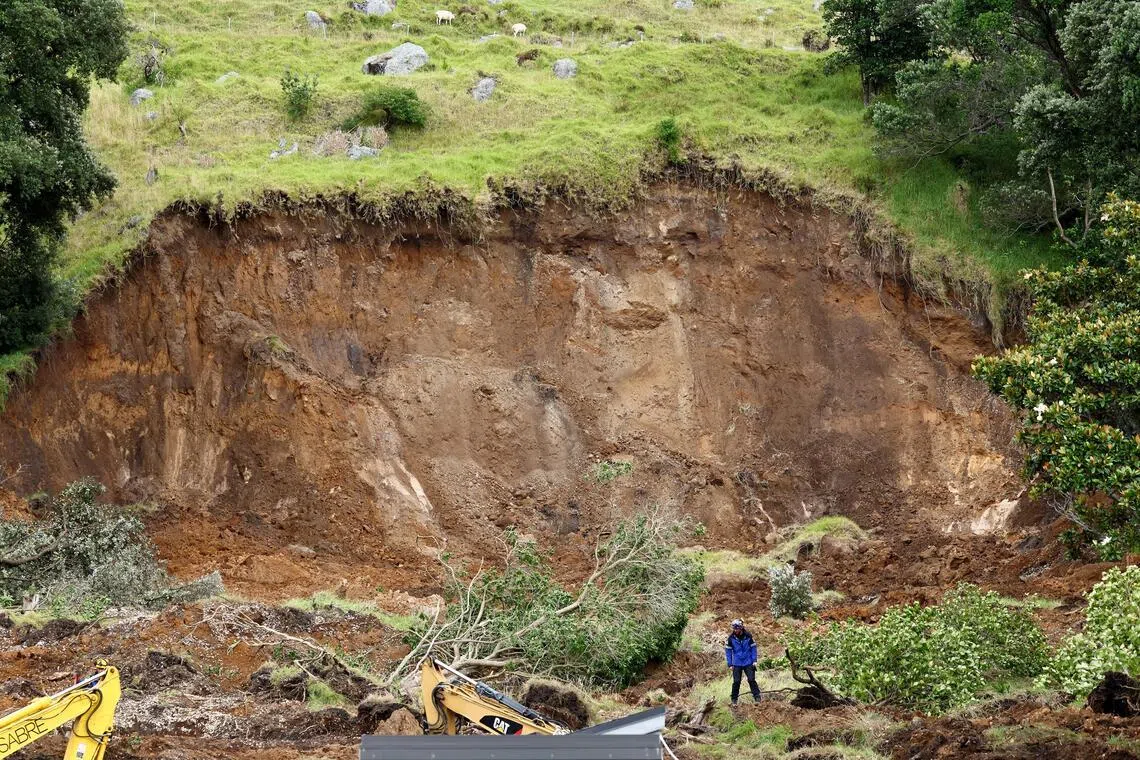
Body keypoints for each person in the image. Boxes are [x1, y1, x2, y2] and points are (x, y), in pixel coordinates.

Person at [724, 618, 762, 705]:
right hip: (737, 663)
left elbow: (753, 648)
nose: (735, 630)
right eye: (733, 628)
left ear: (741, 628)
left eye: (736, 628)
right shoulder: (731, 638)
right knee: (736, 681)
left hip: (748, 662)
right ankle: (734, 700)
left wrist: (754, 660)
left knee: (751, 679)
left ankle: (757, 697)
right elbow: (728, 651)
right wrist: (730, 664)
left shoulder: (748, 636)